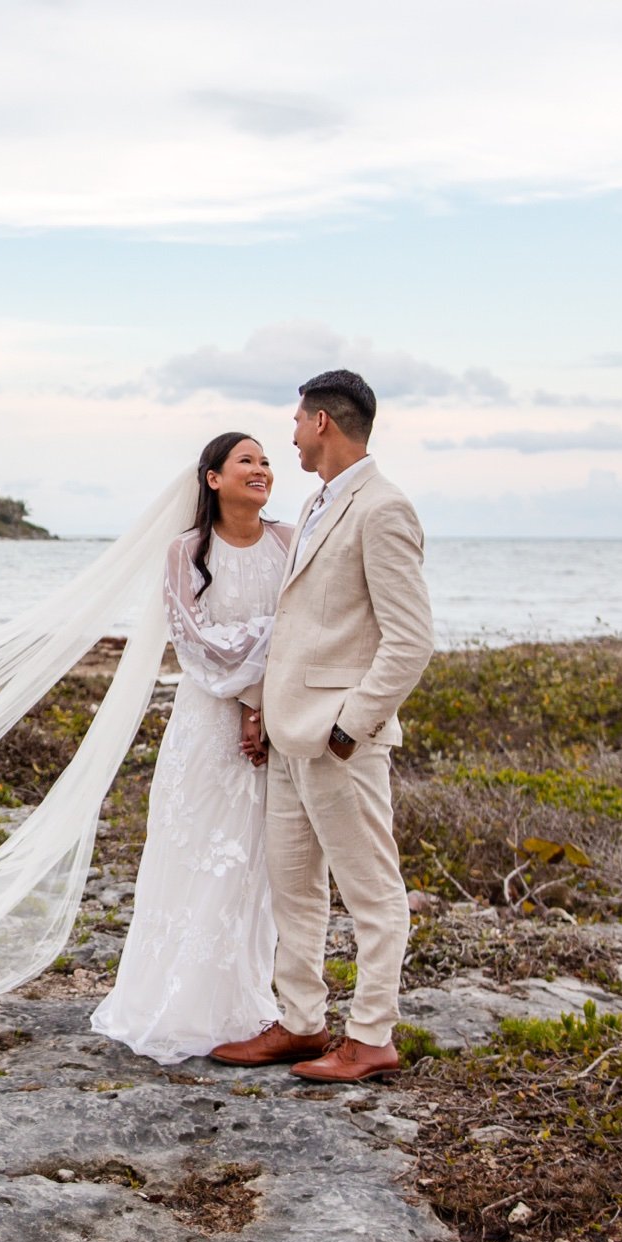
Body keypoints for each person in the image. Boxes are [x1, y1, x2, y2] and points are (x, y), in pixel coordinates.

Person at [210, 369, 433, 1083]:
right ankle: (302, 1023)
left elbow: (411, 639)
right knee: (294, 887)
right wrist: (265, 711)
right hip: (289, 736)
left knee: (372, 890)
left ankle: (371, 1036)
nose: (291, 435)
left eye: (298, 422)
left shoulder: (384, 509)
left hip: (340, 743)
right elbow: (301, 625)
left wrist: (352, 726)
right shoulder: (314, 504)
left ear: (324, 424)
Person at [90, 432, 291, 1062]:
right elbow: (199, 644)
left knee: (252, 864)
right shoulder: (185, 551)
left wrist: (262, 701)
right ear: (212, 478)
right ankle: (176, 1004)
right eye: (247, 461)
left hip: (274, 721)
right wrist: (250, 689)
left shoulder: (290, 542)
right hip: (206, 725)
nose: (261, 469)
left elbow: (300, 629)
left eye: (266, 461)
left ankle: (245, 1002)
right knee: (197, 853)